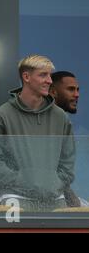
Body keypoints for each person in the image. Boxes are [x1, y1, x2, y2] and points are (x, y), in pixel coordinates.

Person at [0, 55, 75, 211]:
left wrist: (55, 182)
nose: (49, 80)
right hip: (15, 198)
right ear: (26, 77)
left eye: (49, 75)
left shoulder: (60, 117)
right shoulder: (1, 115)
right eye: (43, 75)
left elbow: (68, 160)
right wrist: (22, 181)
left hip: (55, 198)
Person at [49, 71, 88, 207]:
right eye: (71, 89)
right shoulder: (43, 128)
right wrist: (76, 206)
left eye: (77, 90)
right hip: (55, 203)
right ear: (53, 92)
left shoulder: (78, 131)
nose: (77, 95)